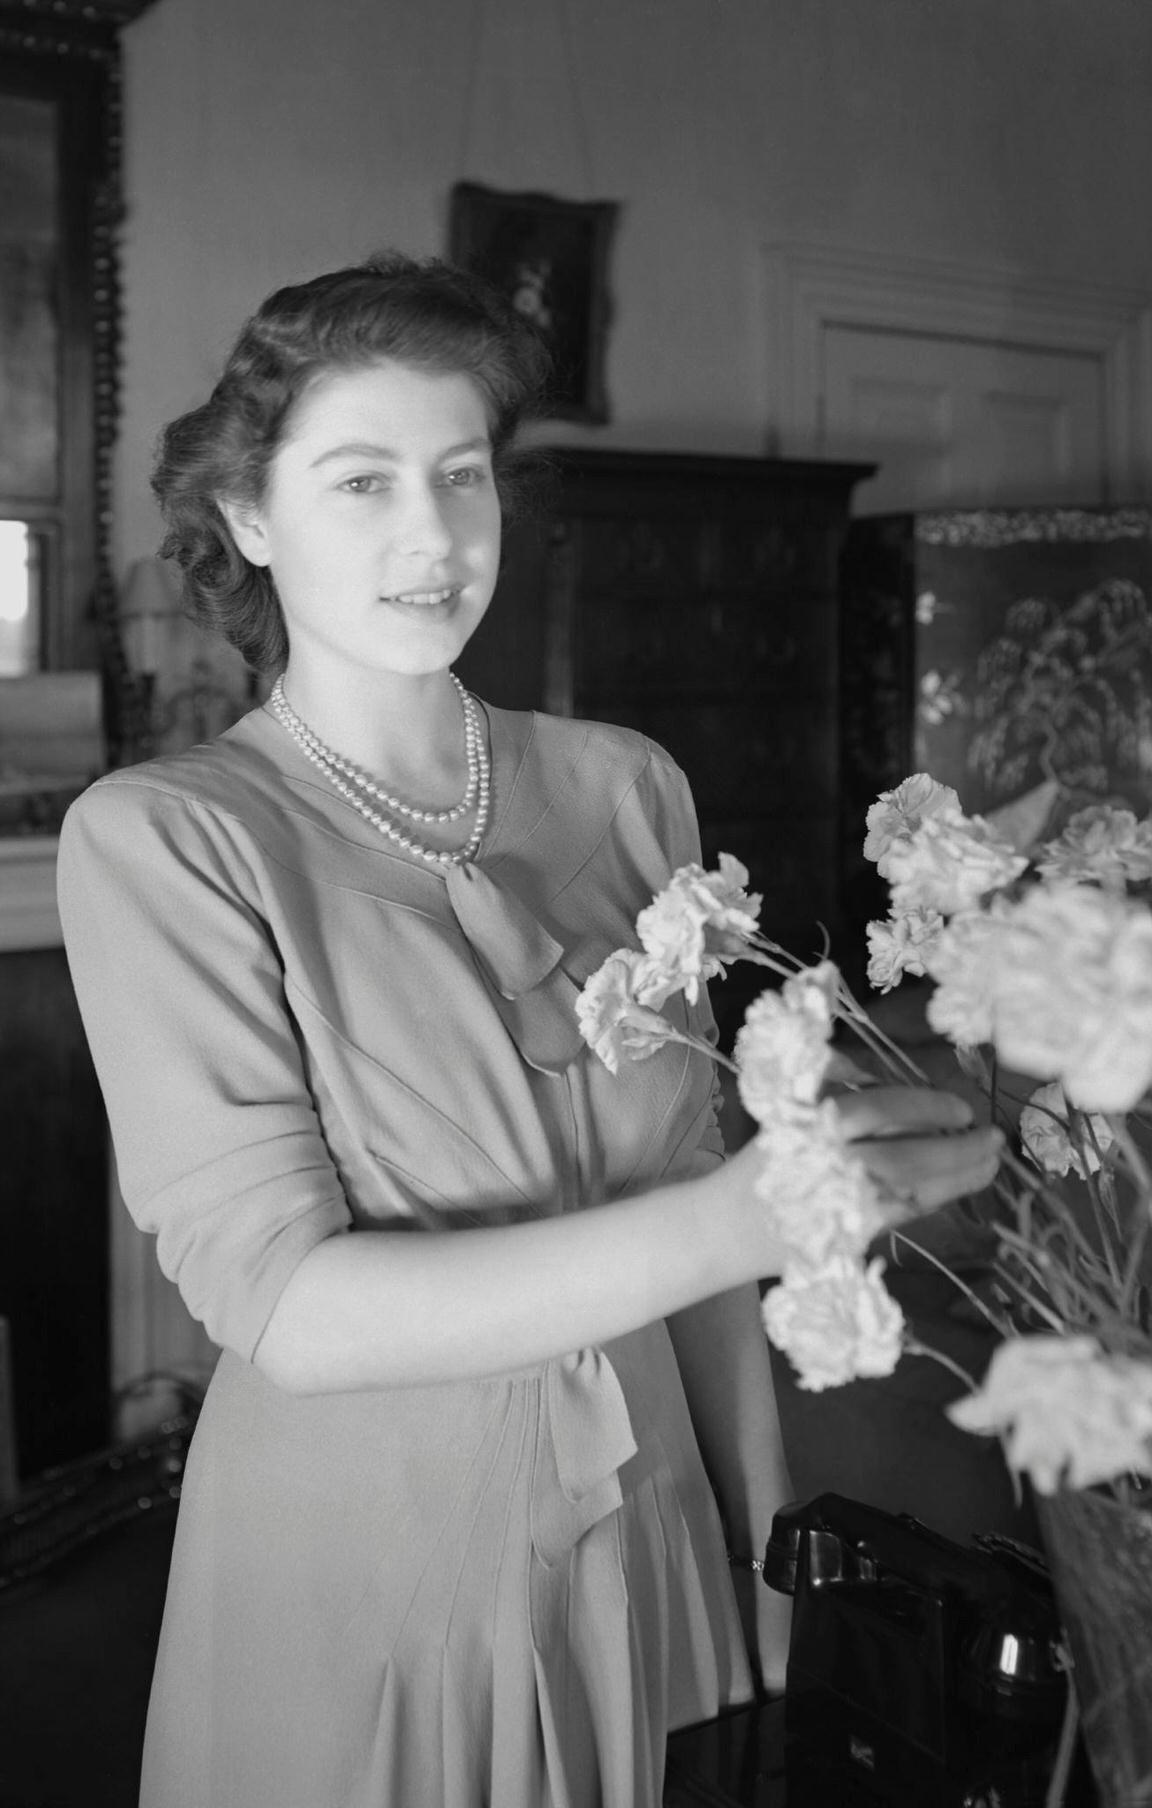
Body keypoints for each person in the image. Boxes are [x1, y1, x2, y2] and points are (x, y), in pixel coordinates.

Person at [56, 253, 1003, 1808]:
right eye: (359, 482)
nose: (431, 536)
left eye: (462, 477)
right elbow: (293, 1310)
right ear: (247, 518)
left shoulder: (627, 786)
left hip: (654, 1539)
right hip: (373, 1575)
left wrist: (769, 1563)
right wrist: (738, 1220)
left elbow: (693, 1188)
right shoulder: (167, 839)